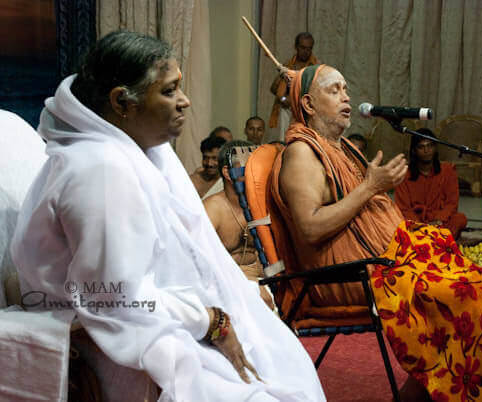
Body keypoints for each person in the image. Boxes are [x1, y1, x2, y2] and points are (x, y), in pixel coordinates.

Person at [10, 31, 324, 402]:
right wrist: (212, 321)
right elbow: (115, 298)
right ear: (122, 102)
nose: (185, 101)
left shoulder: (139, 152)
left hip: (158, 316)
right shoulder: (101, 168)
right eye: (170, 90)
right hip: (123, 332)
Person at [270, 64, 482, 401]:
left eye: (346, 89)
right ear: (307, 104)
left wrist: (374, 187)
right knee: (469, 293)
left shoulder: (339, 148)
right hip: (351, 274)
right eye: (334, 90)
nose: (346, 96)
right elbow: (309, 228)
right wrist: (370, 187)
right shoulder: (302, 154)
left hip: (386, 260)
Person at [204, 140, 275, 310]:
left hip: (266, 282)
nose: (256, 172)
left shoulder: (265, 204)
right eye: (249, 167)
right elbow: (201, 264)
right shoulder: (213, 209)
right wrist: (248, 286)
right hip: (226, 287)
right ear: (228, 173)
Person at [394, 130, 467, 239]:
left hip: (440, 221)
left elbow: (451, 204)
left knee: (460, 219)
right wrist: (420, 225)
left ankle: (432, 240)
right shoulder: (404, 175)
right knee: (396, 223)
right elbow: (403, 208)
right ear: (414, 151)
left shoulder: (447, 170)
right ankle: (438, 241)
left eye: (430, 146)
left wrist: (438, 220)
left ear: (435, 148)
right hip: (416, 222)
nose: (426, 150)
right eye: (421, 147)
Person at [269, 32, 319, 141]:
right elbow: (274, 89)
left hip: (305, 112)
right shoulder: (288, 66)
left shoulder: (315, 68)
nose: (306, 52)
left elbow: (317, 93)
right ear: (296, 47)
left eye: (309, 48)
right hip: (287, 111)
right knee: (284, 142)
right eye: (303, 48)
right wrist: (284, 99)